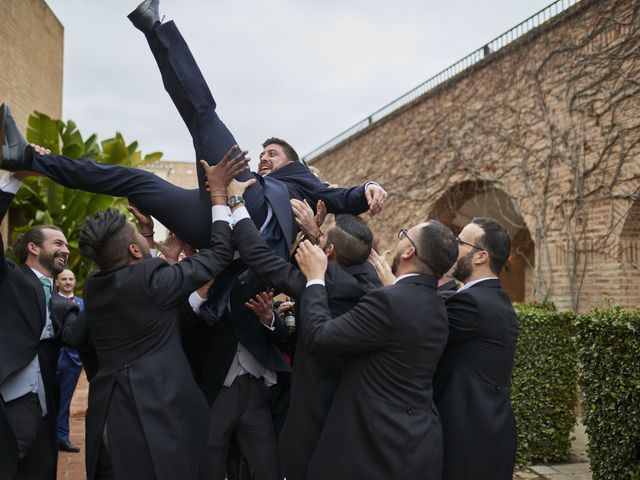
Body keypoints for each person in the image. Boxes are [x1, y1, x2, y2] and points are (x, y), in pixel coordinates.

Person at [76, 154, 244, 480]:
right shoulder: (154, 283)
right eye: (137, 237)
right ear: (136, 252)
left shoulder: (95, 287)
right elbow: (221, 253)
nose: (141, 238)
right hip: (152, 422)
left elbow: (139, 276)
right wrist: (220, 193)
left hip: (109, 419)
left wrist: (147, 234)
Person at [291, 220, 458, 480]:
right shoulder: (437, 305)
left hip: (373, 447)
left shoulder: (389, 301)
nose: (399, 239)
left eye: (404, 235)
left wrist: (315, 279)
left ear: (408, 252)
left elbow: (319, 338)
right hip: (419, 441)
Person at [433, 217, 518, 480]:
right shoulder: (489, 298)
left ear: (481, 256)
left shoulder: (473, 303)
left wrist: (395, 286)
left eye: (459, 242)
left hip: (469, 442)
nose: (452, 246)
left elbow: (419, 329)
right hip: (487, 432)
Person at [0, 172, 70, 479]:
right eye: (57, 243)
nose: (65, 250)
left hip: (44, 405)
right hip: (9, 401)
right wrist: (13, 180)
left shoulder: (58, 296)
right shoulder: (9, 278)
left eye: (66, 245)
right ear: (33, 248)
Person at [54, 268, 84, 453]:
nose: (67, 282)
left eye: (70, 279)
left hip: (72, 361)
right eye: (63, 279)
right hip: (52, 358)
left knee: (65, 401)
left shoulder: (82, 304)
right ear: (57, 282)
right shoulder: (50, 300)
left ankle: (62, 437)